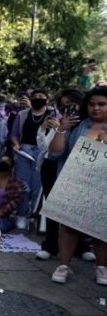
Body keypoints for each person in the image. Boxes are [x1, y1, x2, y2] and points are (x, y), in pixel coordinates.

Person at [47, 86, 107, 285]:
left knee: (101, 228)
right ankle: (63, 265)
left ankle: (102, 267)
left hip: (102, 186)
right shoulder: (77, 125)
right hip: (74, 182)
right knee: (69, 225)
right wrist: (61, 128)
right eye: (91, 104)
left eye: (102, 104)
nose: (96, 108)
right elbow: (55, 153)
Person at [35, 89, 93, 262]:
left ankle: (81, 247)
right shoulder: (59, 122)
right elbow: (45, 148)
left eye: (70, 104)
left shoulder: (89, 123)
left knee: (78, 208)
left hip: (78, 168)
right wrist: (51, 129)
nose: (66, 108)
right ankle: (50, 246)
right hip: (51, 167)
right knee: (53, 207)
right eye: (62, 105)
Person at [10, 88, 58, 230]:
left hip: (43, 152)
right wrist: (16, 145)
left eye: (41, 96)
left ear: (47, 100)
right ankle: (21, 215)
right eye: (34, 96)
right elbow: (14, 134)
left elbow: (60, 131)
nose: (37, 98)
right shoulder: (22, 114)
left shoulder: (53, 114)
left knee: (39, 186)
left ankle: (35, 216)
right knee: (23, 185)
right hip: (24, 151)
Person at [0, 156, 24, 232]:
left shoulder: (15, 182)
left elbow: (16, 200)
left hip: (2, 214)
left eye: (6, 163)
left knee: (0, 227)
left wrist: (1, 212)